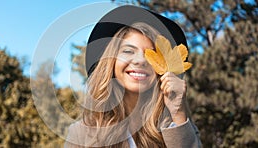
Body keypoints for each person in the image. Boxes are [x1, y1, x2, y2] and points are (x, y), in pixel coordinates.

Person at [65, 5, 201, 148]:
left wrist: (178, 114)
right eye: (128, 51)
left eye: (151, 54)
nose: (140, 60)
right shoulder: (81, 134)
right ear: (111, 62)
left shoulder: (181, 127)